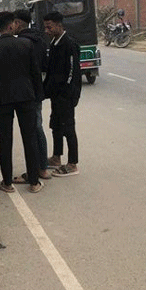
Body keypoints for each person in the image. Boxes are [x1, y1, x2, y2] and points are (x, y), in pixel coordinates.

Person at [0, 11, 44, 193]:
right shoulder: (26, 45)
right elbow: (35, 74)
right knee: (30, 138)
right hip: (26, 97)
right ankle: (33, 182)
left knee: (5, 141)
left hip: (2, 100)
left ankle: (7, 182)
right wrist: (36, 96)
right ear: (11, 26)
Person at [14, 9, 52, 181]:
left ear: (18, 23)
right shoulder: (40, 39)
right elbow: (44, 65)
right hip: (38, 90)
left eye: (13, 22)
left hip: (26, 92)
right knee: (38, 127)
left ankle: (35, 171)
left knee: (31, 131)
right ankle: (43, 167)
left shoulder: (22, 42)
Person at [43, 11, 82, 176]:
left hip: (66, 95)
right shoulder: (54, 43)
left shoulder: (69, 44)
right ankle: (56, 157)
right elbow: (51, 71)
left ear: (59, 25)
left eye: (49, 26)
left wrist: (68, 93)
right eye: (45, 27)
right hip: (56, 95)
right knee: (56, 126)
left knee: (68, 128)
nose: (47, 30)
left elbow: (73, 72)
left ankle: (72, 163)